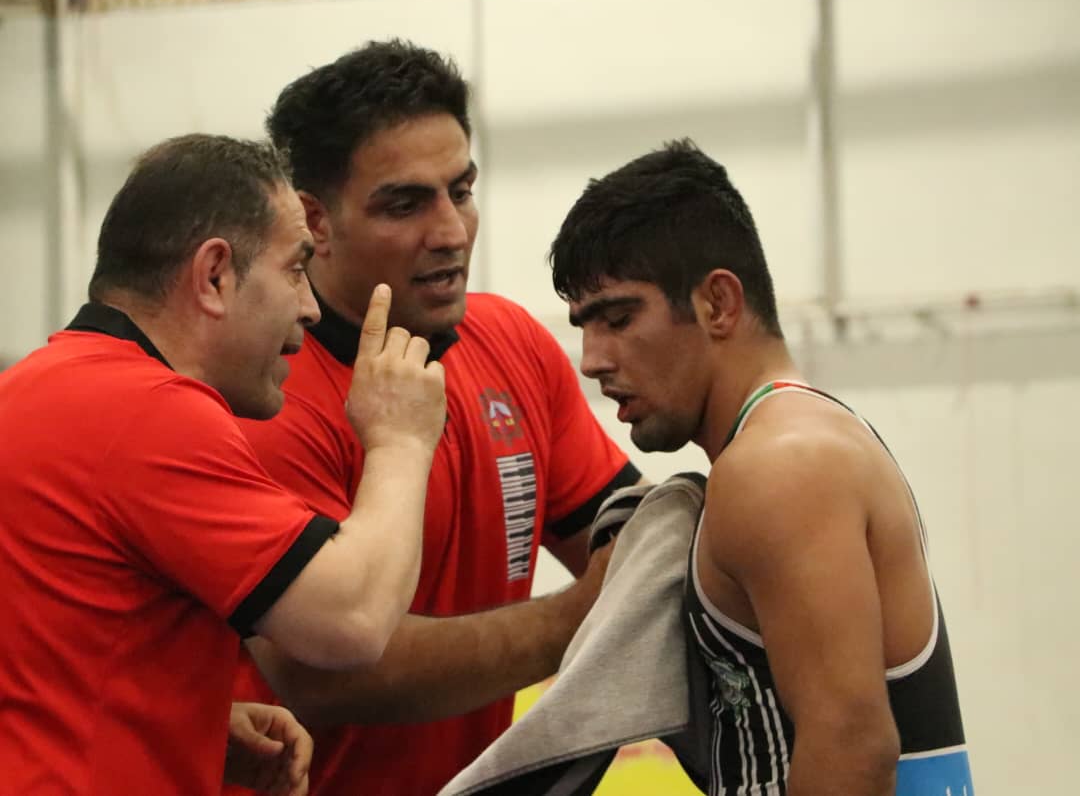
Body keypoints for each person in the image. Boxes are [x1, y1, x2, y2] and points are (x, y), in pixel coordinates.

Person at [227, 39, 641, 796]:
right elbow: (322, 671)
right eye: (405, 203)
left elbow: (632, 540)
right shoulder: (264, 401)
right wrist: (574, 620)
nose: (450, 231)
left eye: (462, 190)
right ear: (316, 221)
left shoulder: (511, 341)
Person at [0, 133, 446, 795]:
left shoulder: (32, 389)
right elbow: (350, 621)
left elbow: (46, 654)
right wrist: (400, 439)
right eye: (295, 269)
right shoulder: (149, 411)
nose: (309, 307)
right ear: (214, 276)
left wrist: (183, 716)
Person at [549, 139, 974, 795]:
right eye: (583, 325)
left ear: (718, 304)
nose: (591, 359)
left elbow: (852, 746)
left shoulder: (778, 466)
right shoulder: (804, 438)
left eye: (619, 317)